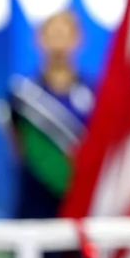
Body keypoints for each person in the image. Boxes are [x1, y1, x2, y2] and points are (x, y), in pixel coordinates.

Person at [7, 11, 95, 222]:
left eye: (64, 34)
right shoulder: (21, 96)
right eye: (52, 35)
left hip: (81, 208)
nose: (58, 43)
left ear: (78, 39)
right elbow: (18, 150)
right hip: (34, 208)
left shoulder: (95, 95)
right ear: (40, 39)